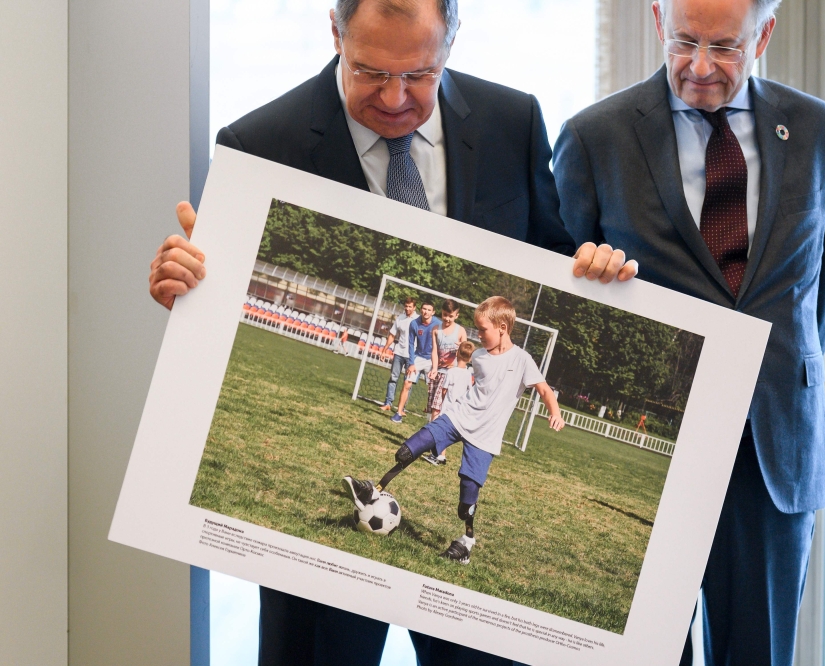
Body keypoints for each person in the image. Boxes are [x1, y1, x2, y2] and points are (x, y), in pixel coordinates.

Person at [145, 2, 637, 664]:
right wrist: (188, 285)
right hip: (314, 578)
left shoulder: (512, 122)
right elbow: (218, 296)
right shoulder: (259, 141)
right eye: (371, 72)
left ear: (452, 42)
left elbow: (551, 258)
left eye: (420, 74)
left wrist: (595, 272)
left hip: (473, 617)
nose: (396, 98)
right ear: (335, 32)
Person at [552, 0, 825, 663]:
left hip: (772, 452)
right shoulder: (594, 136)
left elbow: (822, 294)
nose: (701, 67)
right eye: (685, 41)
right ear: (659, 21)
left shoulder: (819, 131)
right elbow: (563, 288)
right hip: (646, 448)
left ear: (764, 35)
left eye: (726, 47)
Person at [344, 297, 564, 564]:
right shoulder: (479, 357)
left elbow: (544, 390)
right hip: (458, 417)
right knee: (408, 450)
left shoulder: (522, 359)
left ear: (503, 328)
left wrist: (555, 412)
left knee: (467, 500)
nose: (478, 335)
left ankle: (466, 542)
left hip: (485, 436)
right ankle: (373, 490)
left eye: (483, 330)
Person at [425, 339, 476, 466]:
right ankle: (442, 455)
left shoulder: (451, 372)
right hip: (459, 409)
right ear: (470, 358)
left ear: (457, 353)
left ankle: (436, 455)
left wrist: (444, 400)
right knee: (447, 433)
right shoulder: (468, 374)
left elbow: (444, 390)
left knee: (440, 431)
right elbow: (469, 390)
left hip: (447, 406)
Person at [391, 301, 440, 423]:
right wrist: (412, 363)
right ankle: (399, 413)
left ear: (433, 312)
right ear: (420, 309)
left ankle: (432, 420)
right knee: (407, 383)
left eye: (429, 310)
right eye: (424, 309)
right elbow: (411, 344)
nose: (426, 312)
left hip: (432, 359)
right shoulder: (414, 323)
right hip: (418, 357)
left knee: (434, 390)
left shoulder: (438, 324)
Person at [379, 298, 418, 412]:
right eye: (406, 306)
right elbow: (392, 335)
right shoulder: (400, 318)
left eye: (410, 306)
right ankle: (388, 403)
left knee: (408, 382)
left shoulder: (418, 320)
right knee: (393, 378)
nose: (407, 308)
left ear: (414, 308)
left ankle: (402, 408)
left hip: (412, 356)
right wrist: (384, 350)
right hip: (399, 353)